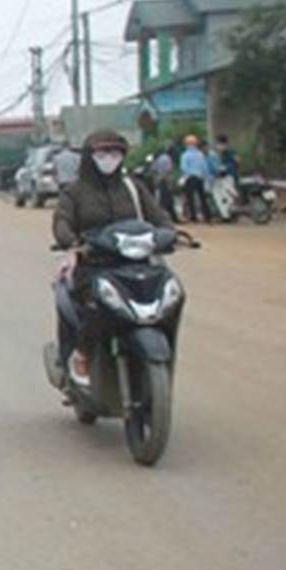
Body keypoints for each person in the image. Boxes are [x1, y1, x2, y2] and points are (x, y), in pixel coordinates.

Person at [51, 129, 176, 384]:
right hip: (95, 264)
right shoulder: (74, 193)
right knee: (94, 304)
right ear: (89, 156)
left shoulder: (133, 188)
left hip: (136, 263)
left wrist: (168, 233)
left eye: (116, 152)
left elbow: (159, 217)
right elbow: (62, 222)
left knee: (170, 294)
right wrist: (72, 242)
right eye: (103, 152)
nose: (110, 157)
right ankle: (82, 354)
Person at [178, 133, 212, 224]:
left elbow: (183, 168)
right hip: (200, 178)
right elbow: (204, 167)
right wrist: (206, 177)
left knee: (190, 198)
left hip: (190, 178)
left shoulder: (185, 155)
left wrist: (184, 177)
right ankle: (208, 217)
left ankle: (193, 218)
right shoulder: (200, 154)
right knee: (202, 197)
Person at [150, 143, 177, 217]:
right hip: (165, 180)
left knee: (163, 199)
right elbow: (168, 171)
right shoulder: (168, 159)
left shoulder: (160, 158)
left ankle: (169, 216)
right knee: (167, 200)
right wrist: (168, 181)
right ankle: (168, 216)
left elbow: (153, 169)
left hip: (160, 180)